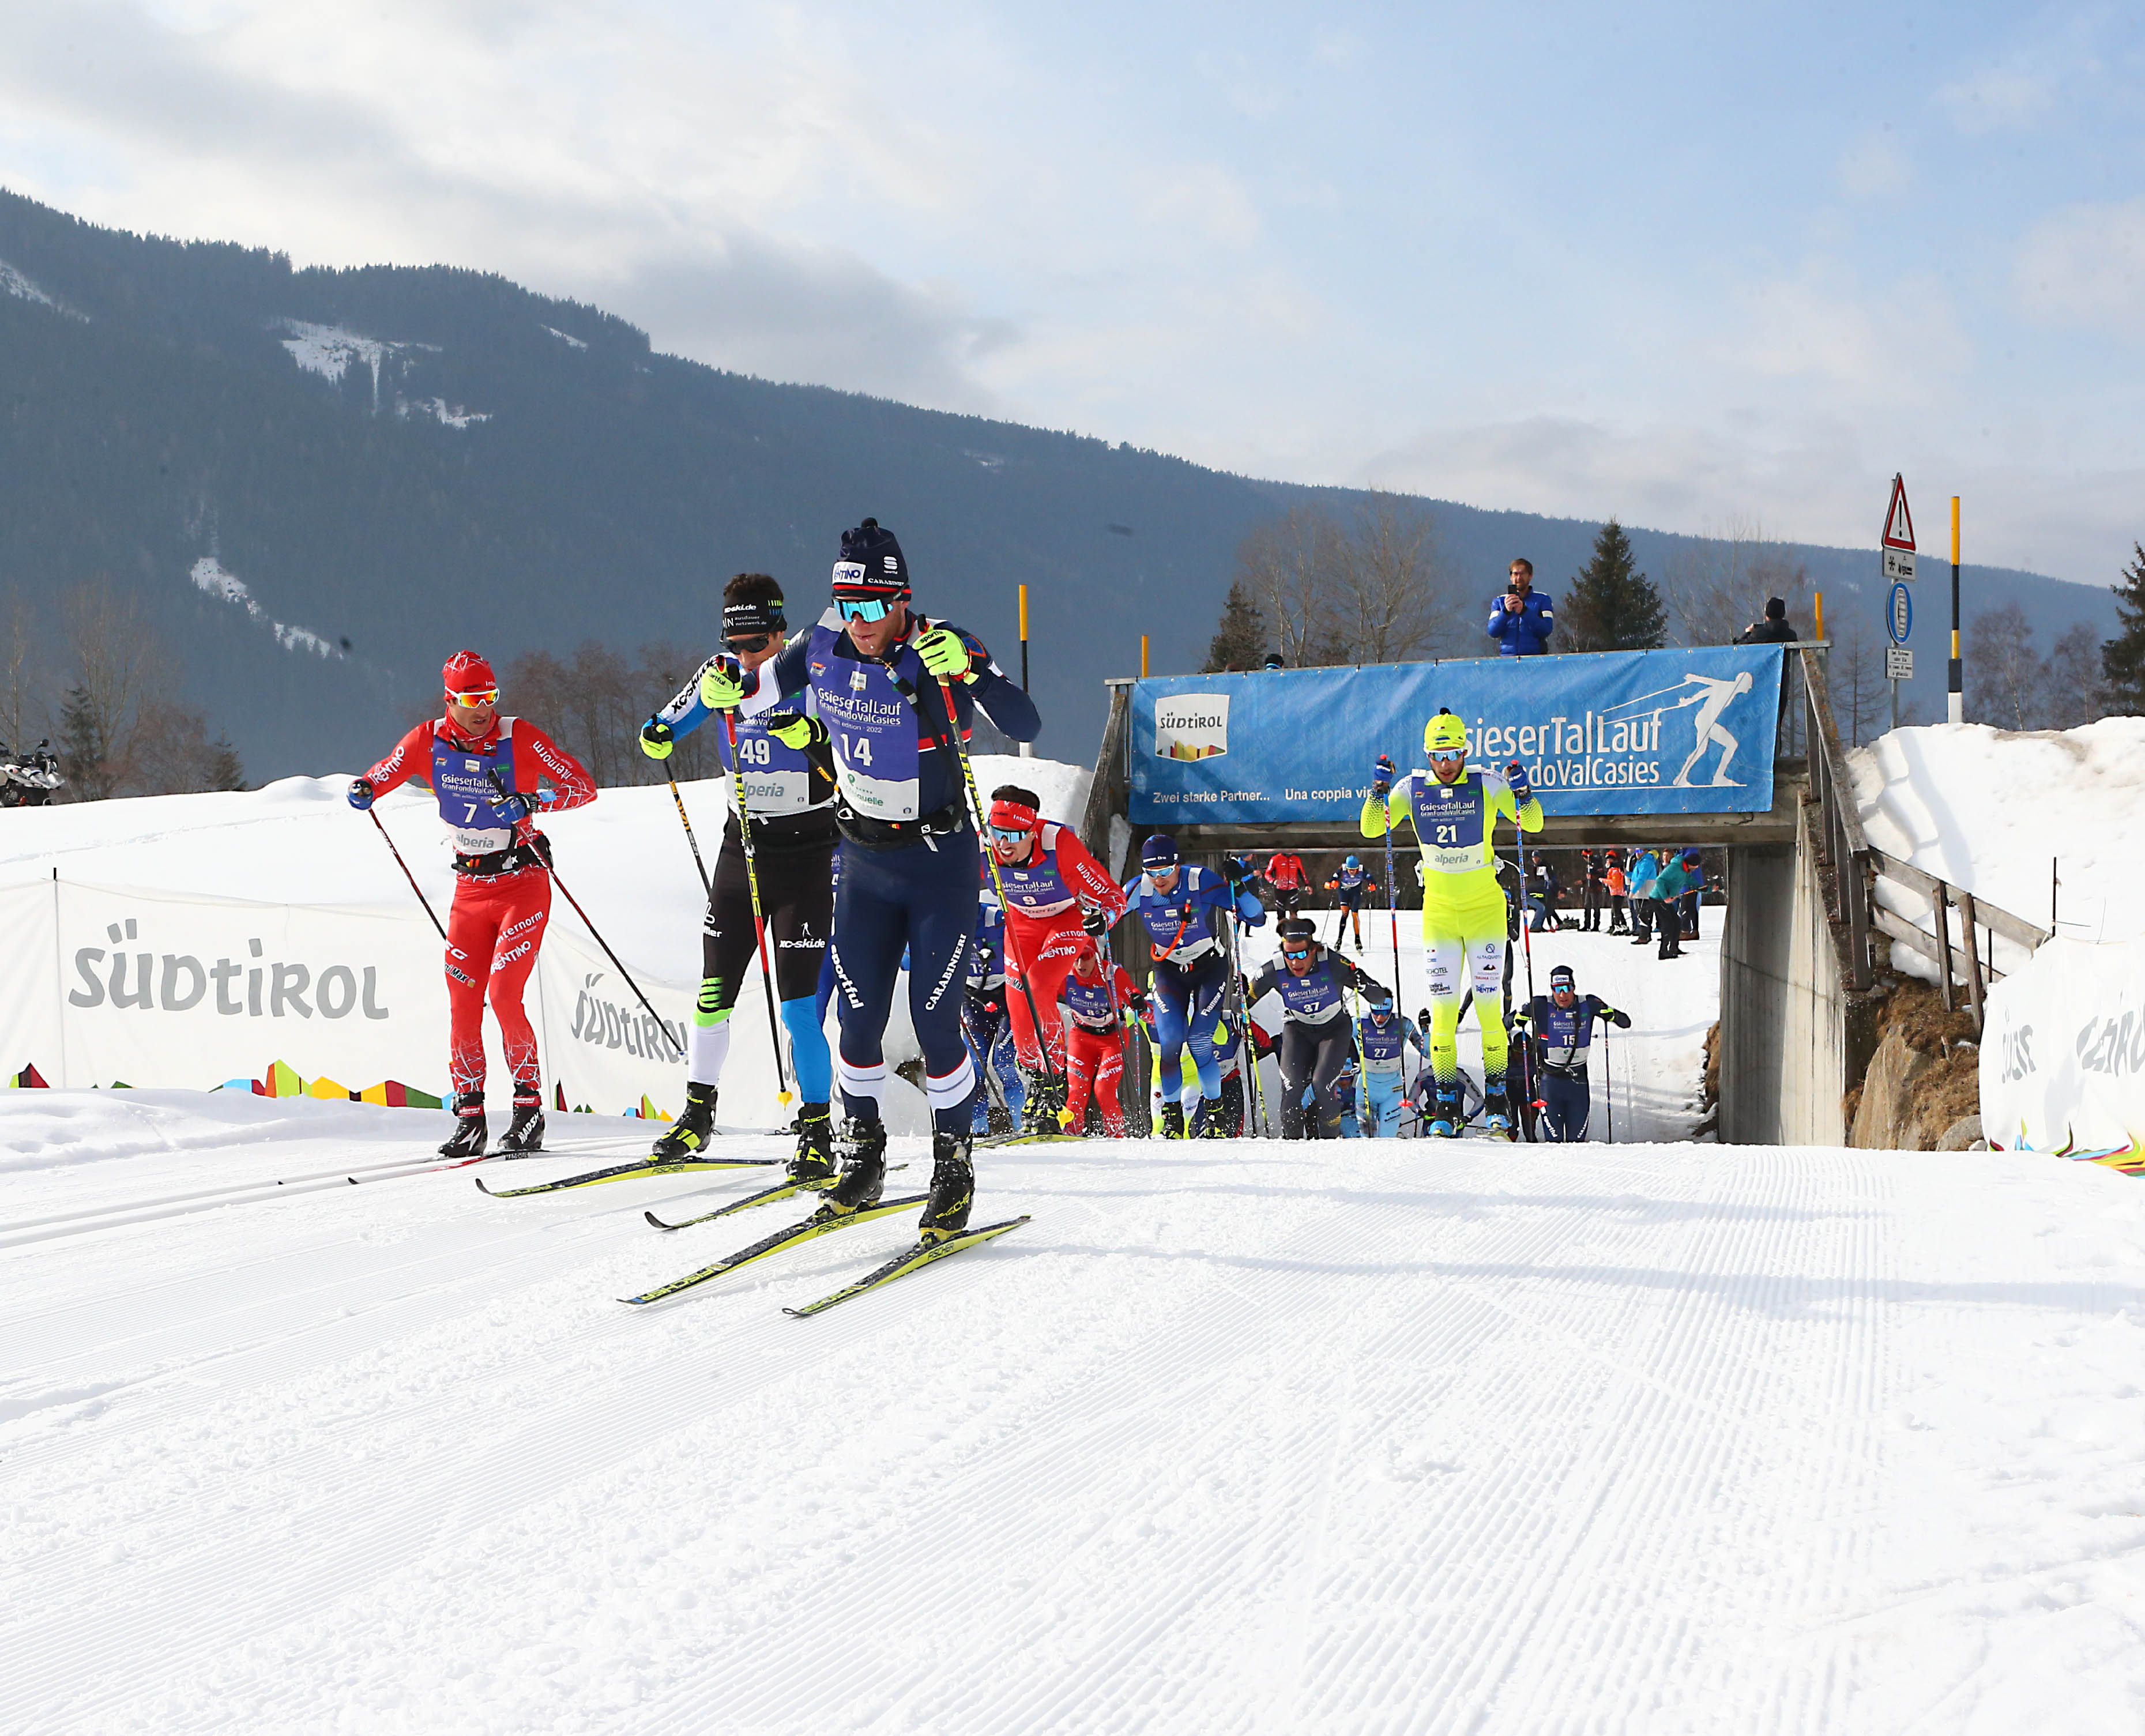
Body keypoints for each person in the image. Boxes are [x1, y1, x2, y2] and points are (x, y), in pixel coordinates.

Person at [720, 516, 1040, 1244]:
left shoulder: (940, 643)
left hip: (938, 867)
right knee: (857, 1024)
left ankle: (953, 1171)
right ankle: (861, 1159)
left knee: (934, 1023)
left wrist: (973, 670)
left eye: (872, 608)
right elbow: (753, 689)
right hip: (862, 863)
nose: (859, 623)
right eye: (847, 605)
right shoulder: (823, 641)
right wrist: (721, 687)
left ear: (902, 600)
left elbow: (1027, 718)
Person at [349, 650, 596, 1158]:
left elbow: (582, 787)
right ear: (450, 701)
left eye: (490, 697)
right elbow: (387, 770)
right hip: (469, 891)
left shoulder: (517, 736)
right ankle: (469, 1116)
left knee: (505, 995)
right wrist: (366, 787)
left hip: (522, 883)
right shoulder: (428, 740)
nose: (484, 709)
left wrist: (534, 801)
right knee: (463, 1006)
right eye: (472, 700)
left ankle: (529, 1111)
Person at [635, 574, 838, 1173]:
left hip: (806, 853)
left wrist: (812, 739)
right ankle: (698, 1114)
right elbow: (666, 724)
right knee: (712, 992)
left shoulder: (809, 674)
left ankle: (818, 1126)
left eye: (758, 645)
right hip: (741, 849)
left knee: (800, 1007)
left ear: (781, 633)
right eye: (738, 645)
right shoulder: (720, 671)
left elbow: (843, 763)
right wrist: (656, 735)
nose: (747, 659)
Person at [1361, 709, 1543, 1138]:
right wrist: (1377, 791)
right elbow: (1372, 829)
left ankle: (1497, 1100)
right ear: (1428, 755)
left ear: (1466, 750)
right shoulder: (1412, 788)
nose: (1447, 764)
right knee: (1442, 1014)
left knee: (1488, 1007)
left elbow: (1532, 823)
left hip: (1485, 913)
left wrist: (1525, 793)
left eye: (1454, 754)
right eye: (1438, 756)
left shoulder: (1487, 783)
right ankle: (1444, 1103)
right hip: (1440, 915)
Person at [985, 784, 1128, 1128]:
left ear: (1031, 832)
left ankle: (1055, 1080)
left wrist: (1103, 918)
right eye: (997, 833)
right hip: (1020, 923)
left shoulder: (1057, 843)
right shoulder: (982, 846)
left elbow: (1114, 897)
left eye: (1013, 835)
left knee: (1039, 986)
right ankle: (1037, 1080)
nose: (1003, 845)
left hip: (1066, 920)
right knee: (1017, 1001)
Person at [1123, 835, 1266, 1138]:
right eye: (1152, 872)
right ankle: (1173, 1118)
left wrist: (1238, 886)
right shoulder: (1139, 888)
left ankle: (1214, 1113)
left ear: (1178, 864)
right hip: (1168, 968)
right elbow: (1109, 912)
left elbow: (1256, 917)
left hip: (1208, 967)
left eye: (1165, 871)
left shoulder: (1199, 881)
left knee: (1201, 1041)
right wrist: (1096, 918)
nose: (1159, 879)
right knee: (1170, 1040)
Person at [1245, 917, 1388, 1140]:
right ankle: (1291, 1146)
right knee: (1292, 1089)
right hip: (1298, 1030)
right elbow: (1242, 1004)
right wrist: (1238, 993)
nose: (1295, 962)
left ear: (1313, 949)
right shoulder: (1274, 969)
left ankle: (1329, 1144)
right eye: (1289, 954)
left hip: (1333, 1030)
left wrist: (1364, 984)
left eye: (1301, 954)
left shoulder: (1332, 963)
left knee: (1322, 1085)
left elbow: (1379, 997)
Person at [1516, 965, 1631, 1142]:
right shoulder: (1540, 1005)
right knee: (1554, 1142)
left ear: (1573, 987)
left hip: (1578, 1083)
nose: (1563, 995)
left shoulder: (1589, 1003)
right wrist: (1519, 1017)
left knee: (1577, 1143)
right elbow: (1506, 1022)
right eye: (1557, 990)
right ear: (1552, 990)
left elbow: (1626, 1022)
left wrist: (1612, 1015)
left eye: (1566, 988)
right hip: (1550, 1085)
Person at [961, 862, 1025, 1138]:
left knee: (1003, 1062)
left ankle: (1018, 1122)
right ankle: (979, 1130)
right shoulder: (946, 926)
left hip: (1006, 998)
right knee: (974, 1067)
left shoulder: (996, 920)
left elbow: (1026, 942)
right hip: (972, 1000)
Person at [1058, 933, 1142, 1138]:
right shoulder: (1065, 974)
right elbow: (1041, 991)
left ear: (1096, 956)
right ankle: (1071, 1135)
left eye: (1086, 957)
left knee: (1104, 1090)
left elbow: (1132, 992)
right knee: (1077, 1091)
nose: (1080, 964)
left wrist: (1137, 999)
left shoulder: (1111, 973)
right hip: (1081, 1037)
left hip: (1112, 1038)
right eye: (1076, 957)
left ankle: (1116, 1135)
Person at [1357, 997, 1426, 1138]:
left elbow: (1427, 1053)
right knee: (1367, 1142)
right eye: (1376, 1012)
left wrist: (1426, 1030)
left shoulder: (1403, 1024)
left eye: (1385, 1013)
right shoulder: (1358, 1022)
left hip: (1392, 1091)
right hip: (1366, 1088)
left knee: (1387, 1140)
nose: (1380, 1017)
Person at [1487, 557, 1555, 657]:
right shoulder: (1499, 602)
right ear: (1511, 577)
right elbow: (1493, 632)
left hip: (1535, 660)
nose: (1518, 578)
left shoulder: (1543, 600)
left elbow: (1546, 630)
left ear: (1530, 576)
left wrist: (1524, 611)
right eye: (1515, 574)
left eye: (1522, 574)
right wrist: (1506, 612)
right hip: (1507, 660)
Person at [1326, 854, 1376, 949]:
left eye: (1354, 870)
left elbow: (1371, 879)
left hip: (1355, 892)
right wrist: (1331, 884)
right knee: (1345, 913)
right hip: (1344, 891)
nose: (1352, 872)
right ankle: (1339, 939)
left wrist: (1372, 885)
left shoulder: (1362, 870)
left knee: (1354, 914)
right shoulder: (1342, 869)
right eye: (1350, 870)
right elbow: (1328, 882)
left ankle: (1357, 939)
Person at [1651, 847, 1689, 959]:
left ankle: (1673, 946)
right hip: (1662, 898)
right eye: (1664, 856)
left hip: (1671, 897)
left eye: (1668, 856)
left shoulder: (1672, 868)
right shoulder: (1662, 867)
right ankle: (1665, 949)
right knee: (1669, 922)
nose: (1666, 858)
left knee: (1675, 921)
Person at [1263, 848, 1309, 917]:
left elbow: (1302, 873)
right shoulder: (1275, 859)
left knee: (1294, 912)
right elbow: (1267, 874)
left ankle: (1294, 926)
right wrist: (1273, 881)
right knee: (1281, 913)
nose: (1290, 850)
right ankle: (1281, 926)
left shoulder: (1296, 859)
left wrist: (1307, 885)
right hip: (1280, 890)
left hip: (1293, 889)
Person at [1734, 597, 1798, 645]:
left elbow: (1739, 647)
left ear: (1767, 616)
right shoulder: (1792, 635)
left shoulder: (1758, 634)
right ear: (1783, 614)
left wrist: (1748, 633)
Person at [1627, 848, 1659, 944]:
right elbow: (1636, 876)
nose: (1637, 854)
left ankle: (1644, 937)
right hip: (1641, 893)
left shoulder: (1646, 862)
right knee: (1642, 914)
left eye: (1639, 851)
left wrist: (1633, 891)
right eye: (1636, 852)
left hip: (1644, 893)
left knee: (1643, 915)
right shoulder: (1641, 862)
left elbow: (1641, 878)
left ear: (1645, 852)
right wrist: (1626, 874)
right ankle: (1646, 935)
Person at [1678, 847, 1706, 941]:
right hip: (1692, 883)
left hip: (1689, 884)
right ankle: (1694, 931)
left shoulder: (1690, 852)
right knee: (1691, 908)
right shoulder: (1688, 852)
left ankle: (1686, 931)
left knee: (1685, 907)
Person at [1525, 857, 1560, 932]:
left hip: (1531, 893)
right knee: (1541, 908)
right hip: (1527, 894)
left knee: (1543, 907)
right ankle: (1534, 926)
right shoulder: (1548, 889)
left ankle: (1539, 926)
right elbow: (1549, 908)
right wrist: (1550, 925)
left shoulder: (1546, 886)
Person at [1605, 849, 1631, 935]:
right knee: (1616, 910)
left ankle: (1618, 926)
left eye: (1609, 859)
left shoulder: (1615, 869)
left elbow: (1614, 882)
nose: (1608, 861)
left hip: (1617, 892)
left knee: (1616, 910)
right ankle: (1621, 925)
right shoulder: (1612, 869)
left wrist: (1604, 881)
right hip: (1614, 891)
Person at [1579, 850, 1604, 932]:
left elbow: (1601, 875)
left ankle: (1596, 925)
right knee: (1587, 906)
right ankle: (1587, 924)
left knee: (1596, 906)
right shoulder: (1587, 865)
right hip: (1589, 888)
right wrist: (1584, 881)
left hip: (1596, 888)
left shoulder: (1597, 863)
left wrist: (1592, 877)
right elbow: (1588, 877)